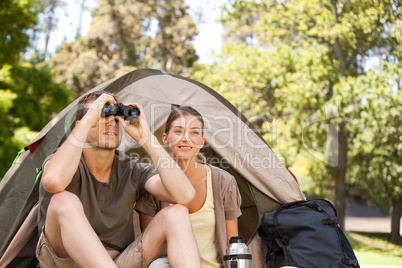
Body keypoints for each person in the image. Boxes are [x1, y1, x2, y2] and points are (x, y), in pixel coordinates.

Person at [36, 91, 201, 268]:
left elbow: (185, 195)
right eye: (102, 115)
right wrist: (87, 121)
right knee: (63, 200)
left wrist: (146, 138)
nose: (111, 123)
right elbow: (53, 182)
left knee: (177, 214)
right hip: (65, 260)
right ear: (81, 124)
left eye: (116, 117)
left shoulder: (130, 168)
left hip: (119, 261)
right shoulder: (65, 161)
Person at [135, 106, 242, 267]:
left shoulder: (224, 182)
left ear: (202, 142)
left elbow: (233, 245)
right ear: (165, 138)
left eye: (194, 132)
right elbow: (151, 249)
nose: (186, 138)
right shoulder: (153, 184)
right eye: (178, 131)